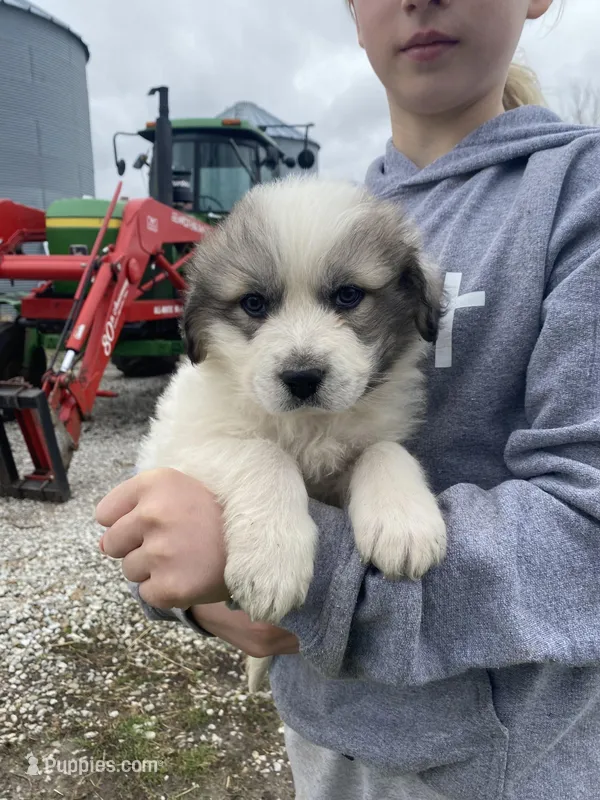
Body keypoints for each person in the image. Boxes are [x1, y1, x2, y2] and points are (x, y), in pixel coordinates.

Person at [96, 0, 600, 797]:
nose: (298, 355)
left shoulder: (577, 196)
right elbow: (170, 493)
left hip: (517, 768)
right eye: (256, 308)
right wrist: (198, 598)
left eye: (345, 299)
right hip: (324, 745)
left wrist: (332, 573)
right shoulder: (346, 203)